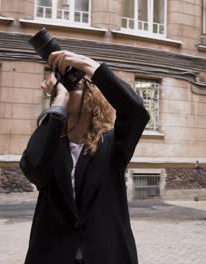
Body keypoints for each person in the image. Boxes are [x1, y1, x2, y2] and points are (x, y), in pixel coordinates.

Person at [20, 50, 150, 264]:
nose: (66, 90)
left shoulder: (112, 145)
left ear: (92, 100)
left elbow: (135, 111)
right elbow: (31, 167)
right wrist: (58, 104)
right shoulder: (51, 143)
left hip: (105, 255)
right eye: (62, 88)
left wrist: (88, 65)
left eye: (74, 87)